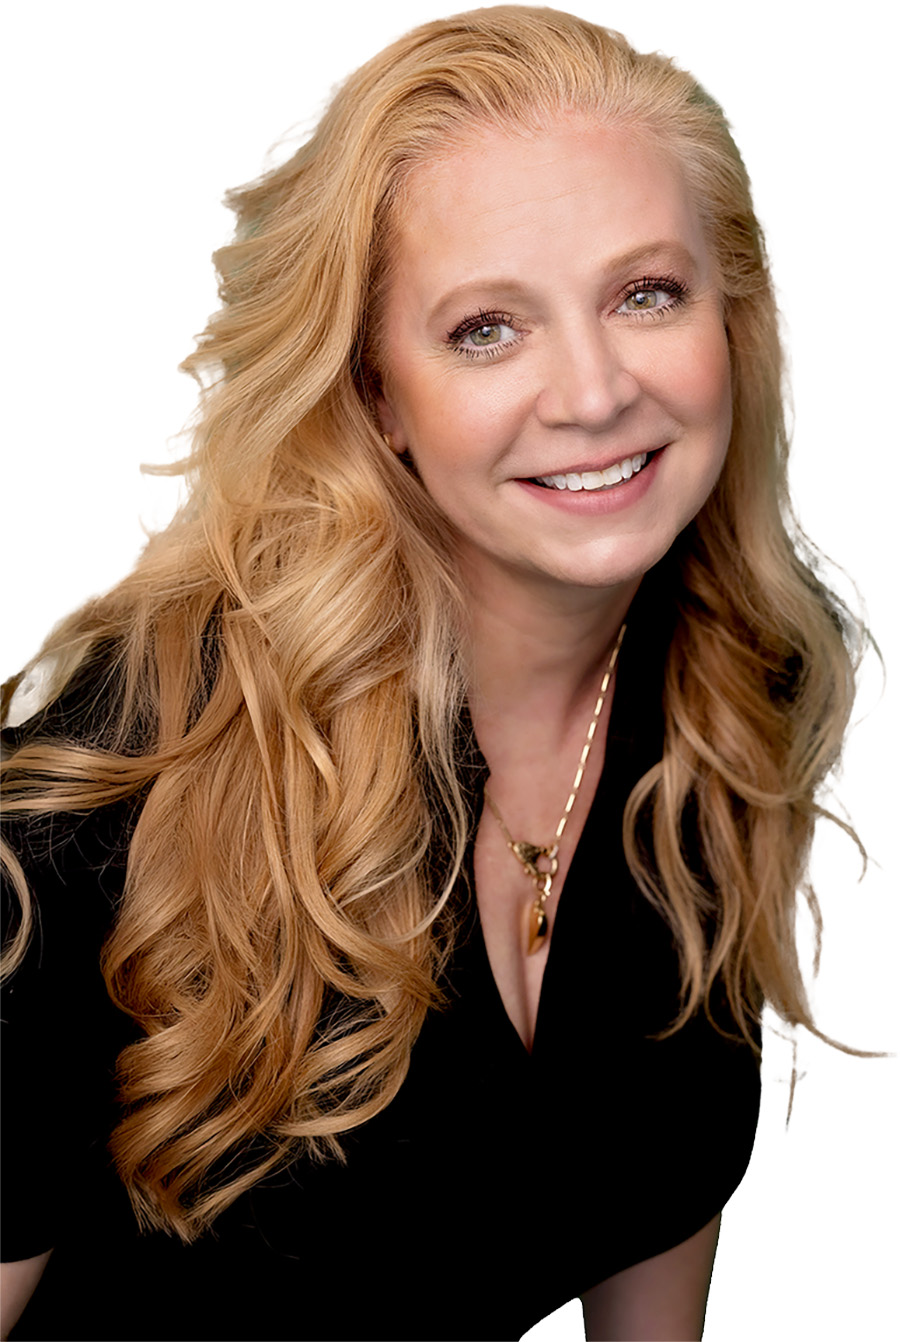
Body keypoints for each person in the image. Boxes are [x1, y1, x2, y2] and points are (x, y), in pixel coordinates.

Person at [0, 6, 869, 1340]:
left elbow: (656, 1178)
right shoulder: (109, 799)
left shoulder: (740, 680)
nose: (593, 392)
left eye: (646, 294)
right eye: (485, 329)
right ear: (375, 397)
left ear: (732, 319)